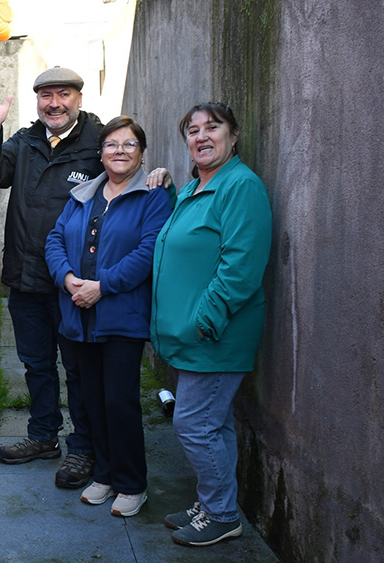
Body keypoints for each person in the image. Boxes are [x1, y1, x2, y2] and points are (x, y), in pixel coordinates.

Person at [0, 67, 103, 489]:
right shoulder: (25, 140)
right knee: (37, 365)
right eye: (46, 95)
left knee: (79, 369)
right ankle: (43, 436)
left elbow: (128, 176)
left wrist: (158, 178)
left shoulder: (99, 143)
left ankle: (84, 447)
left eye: (63, 94)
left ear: (78, 98)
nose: (54, 103)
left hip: (74, 285)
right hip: (27, 279)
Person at [151, 103, 272, 546]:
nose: (201, 136)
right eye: (192, 130)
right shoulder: (193, 188)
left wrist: (204, 320)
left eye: (212, 128)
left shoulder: (240, 187)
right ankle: (213, 502)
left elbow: (241, 266)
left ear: (233, 135)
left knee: (194, 425)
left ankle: (221, 515)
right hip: (194, 337)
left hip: (215, 336)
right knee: (213, 425)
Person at [44, 116, 171, 518]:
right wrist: (67, 279)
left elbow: (149, 252)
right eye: (112, 144)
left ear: (142, 152)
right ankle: (104, 474)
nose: (120, 151)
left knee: (120, 402)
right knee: (90, 400)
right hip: (78, 316)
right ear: (100, 152)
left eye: (129, 144)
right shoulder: (82, 195)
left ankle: (132, 484)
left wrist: (102, 286)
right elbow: (54, 239)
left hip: (120, 318)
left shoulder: (153, 196)